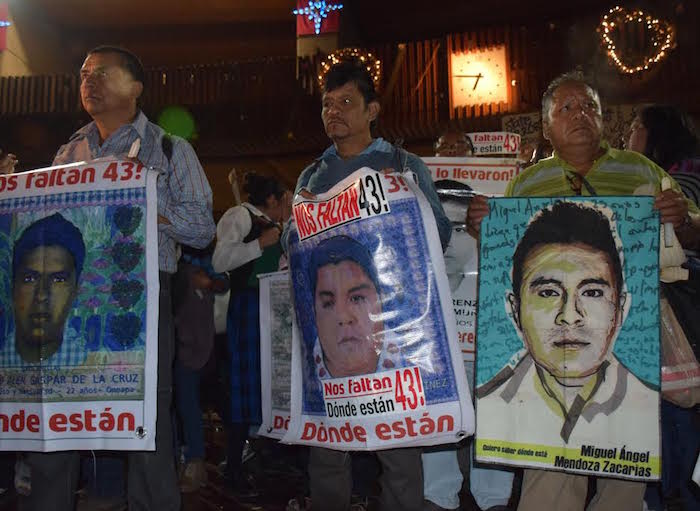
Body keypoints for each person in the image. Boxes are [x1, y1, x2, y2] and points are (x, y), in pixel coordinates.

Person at [467, 70, 700, 511]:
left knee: (625, 475)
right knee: (550, 465)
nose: (580, 115)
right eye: (567, 108)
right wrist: (481, 229)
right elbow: (503, 259)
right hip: (549, 357)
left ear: (603, 118)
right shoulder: (525, 184)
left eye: (589, 106)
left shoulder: (641, 168)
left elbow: (692, 234)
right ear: (547, 126)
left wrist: (681, 219)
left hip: (631, 343)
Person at [15, 45, 215, 511]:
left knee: (146, 421)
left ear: (135, 87)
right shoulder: (69, 151)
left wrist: (139, 196)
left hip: (143, 298)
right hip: (74, 300)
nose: (88, 81)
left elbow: (202, 227)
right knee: (59, 413)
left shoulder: (168, 149)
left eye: (102, 73)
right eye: (83, 73)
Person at [283, 59, 450, 511]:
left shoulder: (402, 164)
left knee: (399, 447)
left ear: (372, 109)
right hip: (331, 335)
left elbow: (440, 233)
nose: (333, 112)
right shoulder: (312, 177)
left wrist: (407, 203)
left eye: (346, 102)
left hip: (394, 332)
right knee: (329, 446)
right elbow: (294, 244)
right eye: (326, 104)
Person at [477, 201, 657, 445]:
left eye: (592, 293)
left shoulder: (647, 404)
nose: (570, 316)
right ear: (515, 309)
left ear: (620, 308)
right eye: (548, 293)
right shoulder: (489, 401)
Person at [625, 104, 700, 511]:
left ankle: (670, 492)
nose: (629, 136)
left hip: (674, 313)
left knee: (673, 407)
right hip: (672, 315)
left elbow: (690, 232)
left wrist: (682, 218)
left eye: (636, 128)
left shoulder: (673, 179)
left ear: (656, 134)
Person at [212, 172, 291, 496]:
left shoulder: (273, 226)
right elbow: (219, 261)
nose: (287, 205)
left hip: (274, 308)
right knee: (244, 389)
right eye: (284, 200)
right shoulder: (239, 216)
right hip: (248, 308)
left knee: (269, 387)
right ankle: (233, 468)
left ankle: (263, 461)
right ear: (271, 200)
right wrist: (260, 243)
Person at [173, 244, 229, 492]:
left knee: (186, 405)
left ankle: (194, 463)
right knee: (179, 406)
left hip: (193, 349)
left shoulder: (201, 269)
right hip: (181, 347)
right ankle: (184, 461)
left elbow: (218, 282)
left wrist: (208, 279)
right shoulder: (184, 272)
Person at [308, 235, 403, 379]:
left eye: (357, 298)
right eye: (328, 303)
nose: (343, 317)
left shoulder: (411, 356)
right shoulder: (308, 373)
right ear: (314, 312)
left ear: (381, 299)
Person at [10, 213, 85, 365]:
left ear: (76, 290)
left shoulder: (87, 363)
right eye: (29, 279)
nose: (42, 295)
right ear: (13, 286)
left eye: (59, 280)